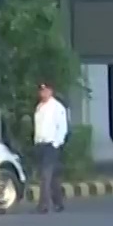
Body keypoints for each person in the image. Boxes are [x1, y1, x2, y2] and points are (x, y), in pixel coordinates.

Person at [32, 81, 69, 214]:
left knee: (45, 176)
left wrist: (56, 143)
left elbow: (62, 128)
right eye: (41, 91)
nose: (43, 93)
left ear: (51, 91)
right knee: (53, 178)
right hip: (40, 144)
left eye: (46, 90)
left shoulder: (57, 107)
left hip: (51, 145)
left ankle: (44, 205)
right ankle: (58, 202)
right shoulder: (39, 107)